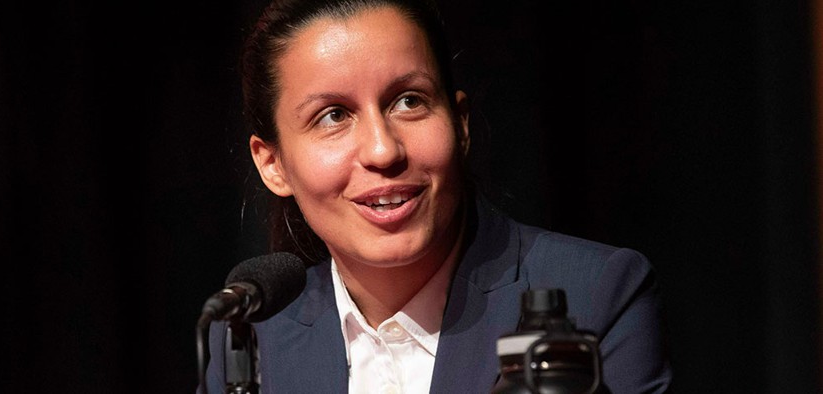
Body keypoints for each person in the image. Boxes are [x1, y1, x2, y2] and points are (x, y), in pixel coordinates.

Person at [201, 0, 672, 392]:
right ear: (272, 164)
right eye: (333, 116)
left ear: (460, 123)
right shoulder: (247, 340)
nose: (383, 150)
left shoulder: (598, 294)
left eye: (409, 101)